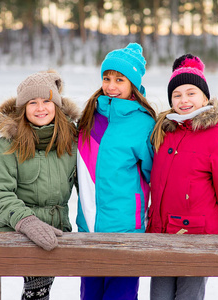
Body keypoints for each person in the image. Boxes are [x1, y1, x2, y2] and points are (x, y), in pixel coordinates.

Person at [147, 54, 218, 300]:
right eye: (177, 95)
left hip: (198, 240)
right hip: (163, 237)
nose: (184, 100)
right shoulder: (164, 132)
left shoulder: (215, 137)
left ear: (204, 97)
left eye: (191, 93)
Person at [0, 70, 79, 300]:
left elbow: (90, 182)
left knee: (40, 291)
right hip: (20, 231)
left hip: (57, 231)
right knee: (36, 291)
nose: (40, 108)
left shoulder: (72, 139)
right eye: (32, 102)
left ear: (56, 104)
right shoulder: (10, 143)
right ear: (23, 108)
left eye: (47, 101)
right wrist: (26, 222)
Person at [76, 43, 156, 300]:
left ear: (133, 84)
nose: (111, 86)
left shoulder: (144, 123)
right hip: (88, 228)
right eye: (106, 78)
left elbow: (153, 173)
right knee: (90, 296)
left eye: (119, 79)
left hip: (126, 232)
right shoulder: (89, 116)